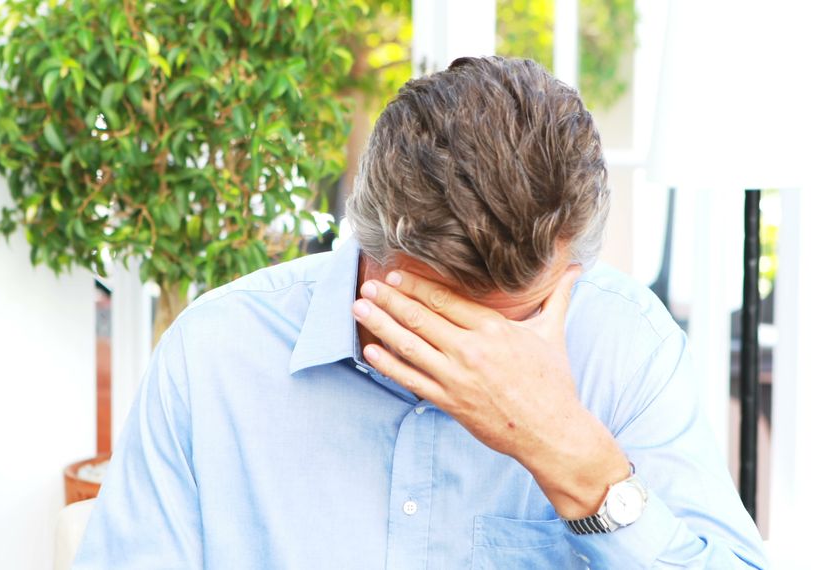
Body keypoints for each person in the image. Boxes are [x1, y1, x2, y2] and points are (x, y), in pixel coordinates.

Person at [74, 56, 767, 569]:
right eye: (435, 315)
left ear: (570, 270)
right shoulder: (215, 356)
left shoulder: (624, 345)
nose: (474, 357)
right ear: (366, 246)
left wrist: (580, 464)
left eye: (515, 322)